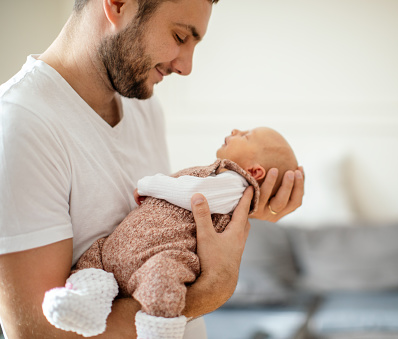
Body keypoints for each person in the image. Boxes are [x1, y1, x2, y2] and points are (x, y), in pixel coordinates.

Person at [0, 0, 304, 338]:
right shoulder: (19, 125)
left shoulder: (142, 105)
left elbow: (168, 228)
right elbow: (38, 332)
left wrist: (244, 209)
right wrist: (210, 291)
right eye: (179, 36)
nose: (186, 66)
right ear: (117, 4)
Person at [42, 127, 298, 339]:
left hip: (160, 252)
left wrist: (149, 184)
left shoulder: (236, 183)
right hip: (119, 246)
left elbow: (194, 193)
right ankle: (85, 301)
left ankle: (158, 327)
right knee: (92, 261)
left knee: (162, 276)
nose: (236, 130)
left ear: (255, 172)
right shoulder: (218, 173)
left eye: (246, 136)